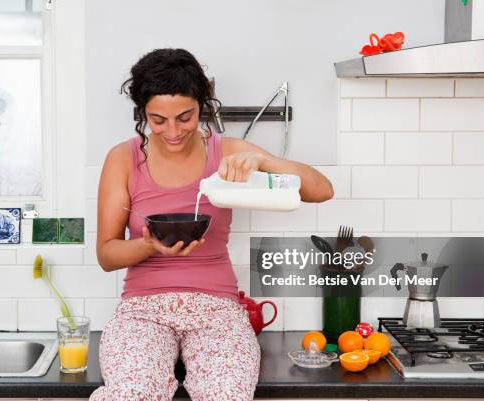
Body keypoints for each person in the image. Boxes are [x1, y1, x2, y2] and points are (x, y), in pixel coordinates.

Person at [91, 48, 333, 401]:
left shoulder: (227, 150)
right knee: (131, 392)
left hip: (217, 310)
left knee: (226, 394)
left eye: (185, 117)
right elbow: (106, 254)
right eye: (158, 120)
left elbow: (322, 190)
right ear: (142, 113)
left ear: (201, 105)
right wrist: (149, 244)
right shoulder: (124, 158)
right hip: (142, 312)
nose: (172, 131)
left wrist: (262, 160)